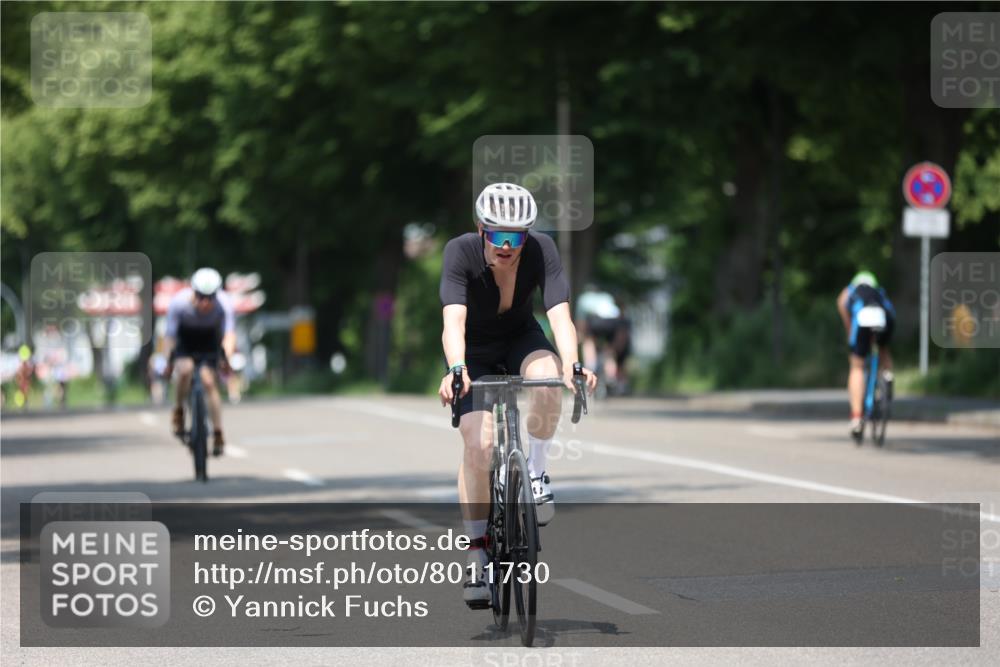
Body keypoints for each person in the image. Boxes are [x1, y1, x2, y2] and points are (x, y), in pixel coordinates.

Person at [438, 182, 597, 609]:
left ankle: (538, 473)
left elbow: (560, 314)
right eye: (497, 236)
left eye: (516, 237)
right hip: (473, 351)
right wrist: (457, 369)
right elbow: (453, 321)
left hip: (521, 338)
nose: (507, 246)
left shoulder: (543, 250)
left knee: (548, 379)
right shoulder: (460, 252)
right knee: (479, 443)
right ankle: (476, 551)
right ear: (480, 230)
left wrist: (572, 364)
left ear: (528, 235)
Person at [163, 268, 235, 456]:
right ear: (193, 292)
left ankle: (218, 433)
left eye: (210, 297)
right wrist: (168, 361)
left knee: (209, 381)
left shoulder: (224, 304)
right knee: (185, 370)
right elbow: (169, 337)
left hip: (210, 340)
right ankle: (179, 411)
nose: (205, 302)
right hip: (185, 341)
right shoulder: (179, 303)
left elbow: (228, 335)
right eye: (201, 296)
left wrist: (226, 358)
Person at [836, 271, 895, 440]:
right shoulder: (879, 292)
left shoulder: (850, 290)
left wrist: (849, 330)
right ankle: (887, 375)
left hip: (862, 319)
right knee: (883, 349)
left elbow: (841, 303)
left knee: (857, 365)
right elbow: (892, 312)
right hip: (884, 319)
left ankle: (856, 418)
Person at [575, 285, 631, 394]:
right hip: (614, 322)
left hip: (597, 320)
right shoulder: (606, 296)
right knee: (609, 351)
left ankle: (591, 365)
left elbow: (581, 321)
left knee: (589, 341)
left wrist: (581, 335)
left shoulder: (583, 299)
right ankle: (611, 376)